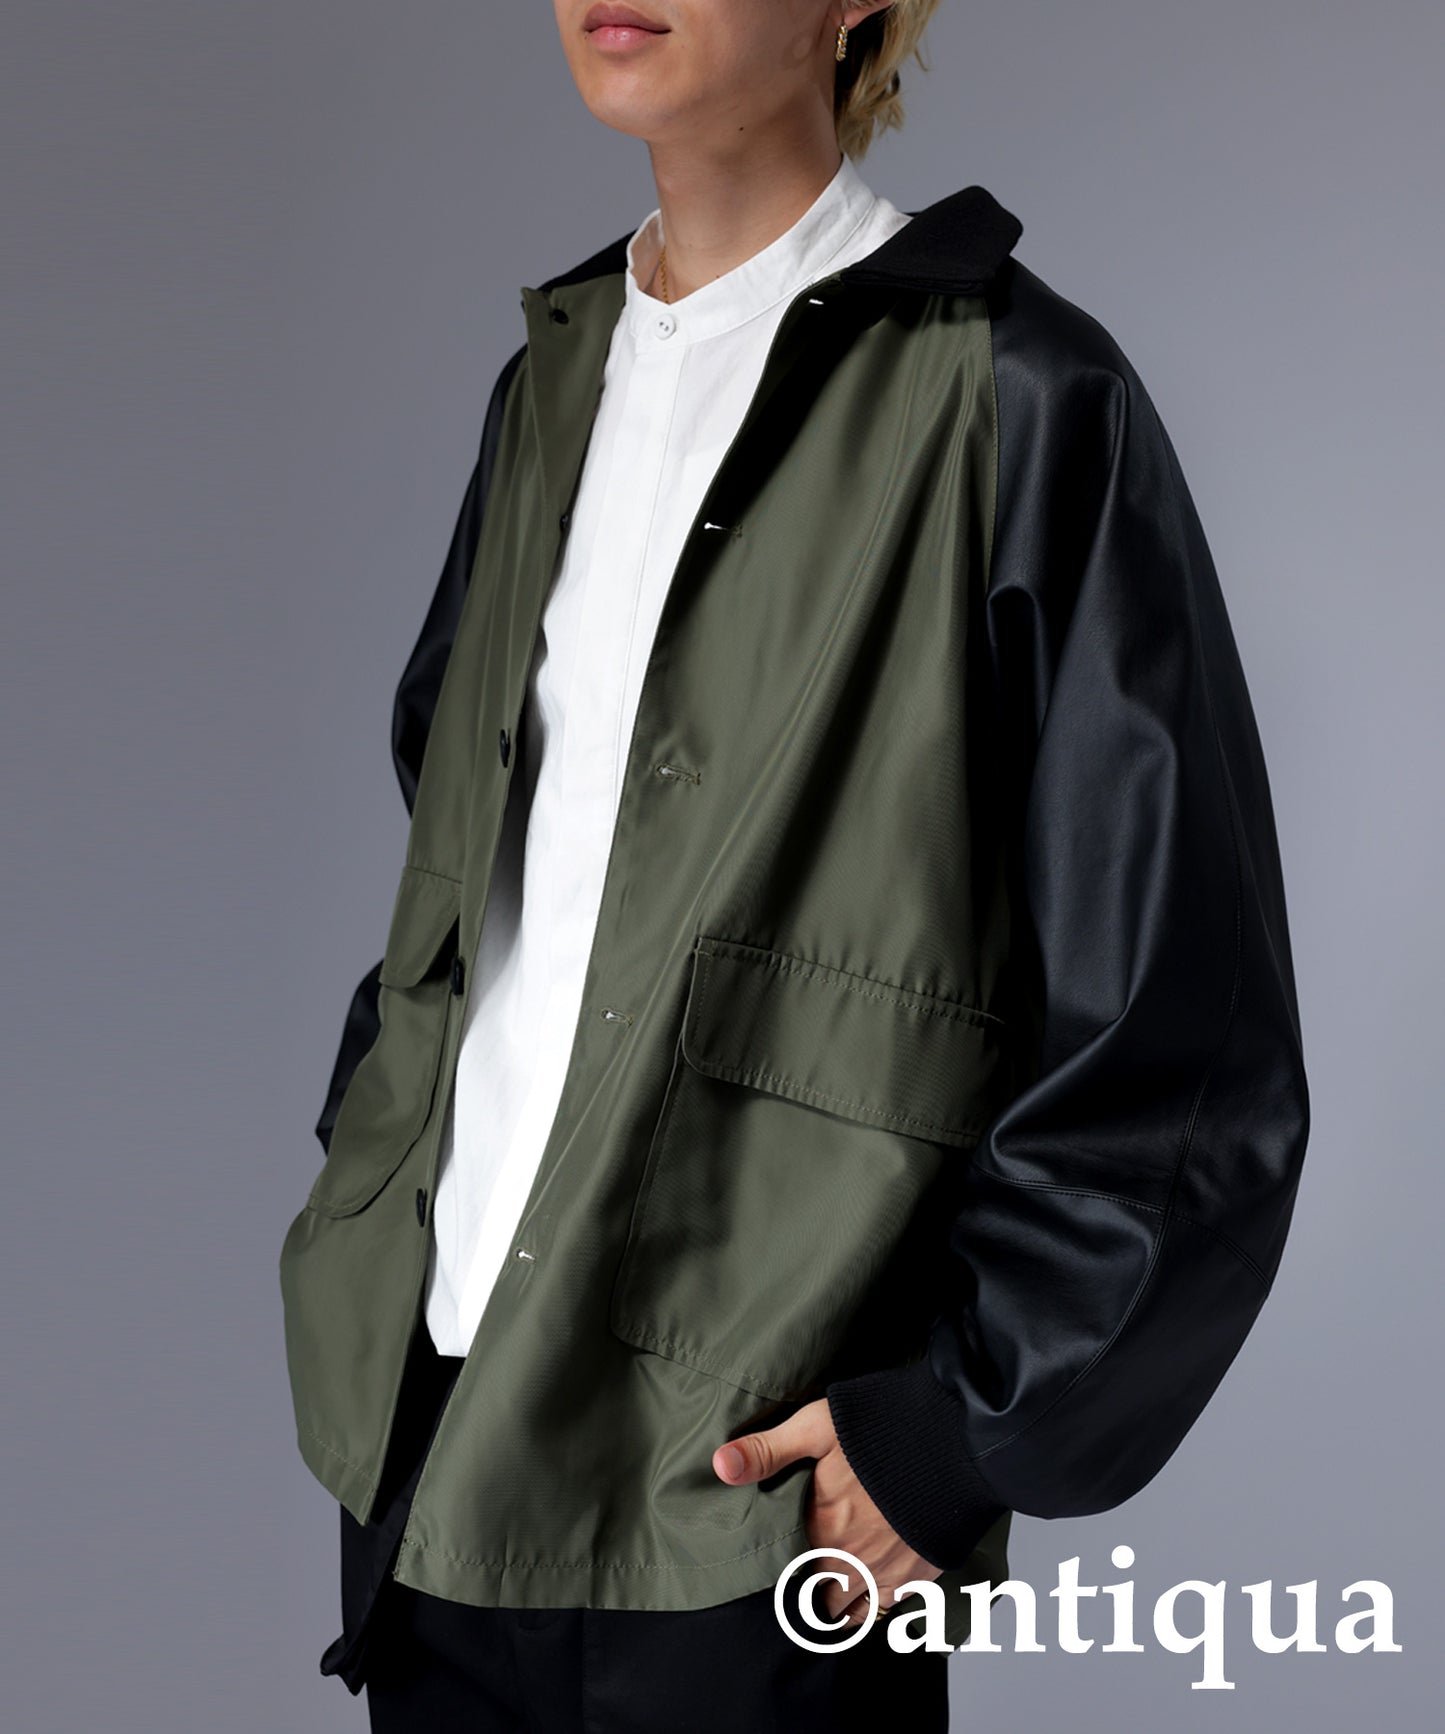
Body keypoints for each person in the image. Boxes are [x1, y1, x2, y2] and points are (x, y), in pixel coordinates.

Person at [277, 2, 1311, 1728]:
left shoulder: (1017, 396)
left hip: (748, 1490)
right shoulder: (550, 384)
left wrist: (954, 1429)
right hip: (436, 1431)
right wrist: (365, 1220)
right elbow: (465, 897)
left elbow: (1180, 1014)